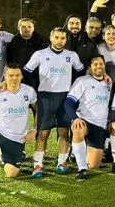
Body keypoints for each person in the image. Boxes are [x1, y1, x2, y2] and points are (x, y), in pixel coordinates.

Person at [23, 27, 85, 176]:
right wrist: (37, 86)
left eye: (62, 38)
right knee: (43, 133)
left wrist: (74, 87)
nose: (59, 41)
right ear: (51, 38)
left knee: (64, 132)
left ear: (66, 39)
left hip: (65, 97)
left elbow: (81, 71)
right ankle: (38, 165)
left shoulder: (72, 55)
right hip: (46, 97)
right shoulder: (40, 54)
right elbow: (26, 71)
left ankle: (62, 162)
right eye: (56, 37)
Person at [64, 55, 112, 179]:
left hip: (100, 125)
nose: (98, 66)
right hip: (85, 120)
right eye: (95, 64)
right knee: (78, 128)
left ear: (104, 66)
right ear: (90, 68)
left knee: (94, 165)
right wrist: (75, 118)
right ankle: (81, 169)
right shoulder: (82, 81)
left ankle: (78, 152)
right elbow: (68, 102)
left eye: (101, 63)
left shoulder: (109, 83)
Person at [5, 18, 48, 87]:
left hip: (38, 79)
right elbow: (10, 61)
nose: (26, 29)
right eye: (23, 27)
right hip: (20, 79)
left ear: (33, 28)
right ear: (19, 28)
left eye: (29, 27)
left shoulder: (42, 41)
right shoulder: (13, 42)